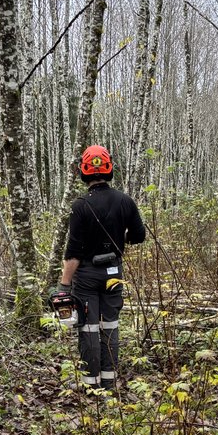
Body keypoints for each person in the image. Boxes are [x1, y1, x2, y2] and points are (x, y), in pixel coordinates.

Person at [56, 145, 146, 388]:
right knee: (111, 327)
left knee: (88, 328)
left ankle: (90, 384)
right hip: (114, 273)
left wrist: (64, 286)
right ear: (109, 170)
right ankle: (109, 382)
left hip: (86, 276)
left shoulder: (80, 205)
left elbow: (73, 253)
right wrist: (119, 239)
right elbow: (139, 235)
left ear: (83, 172)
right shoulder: (125, 201)